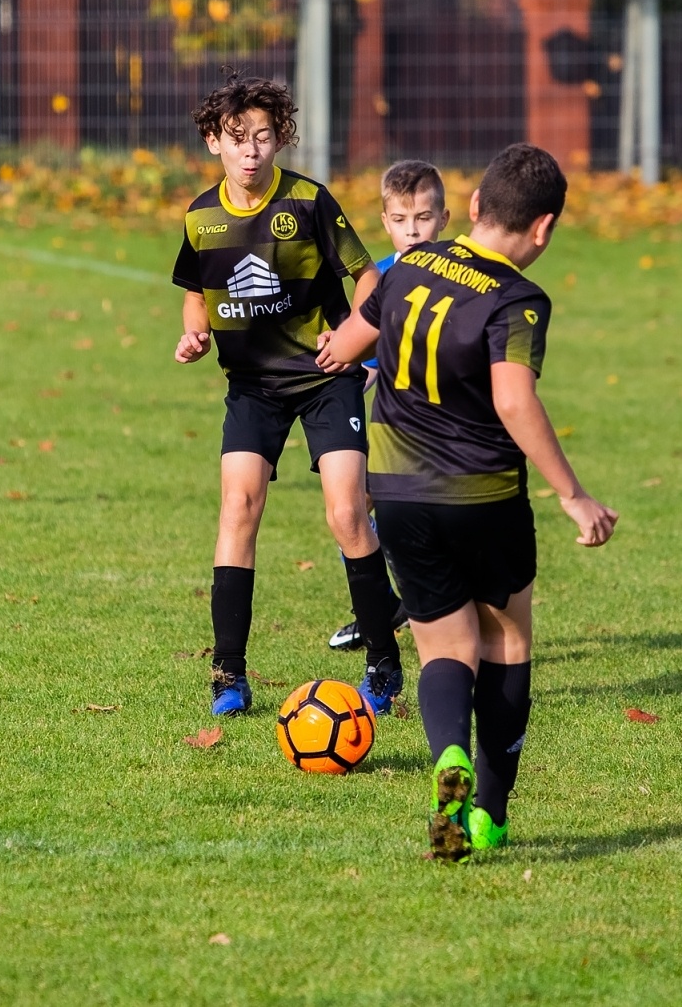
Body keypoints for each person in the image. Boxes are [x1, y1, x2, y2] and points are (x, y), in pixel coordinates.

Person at [321, 143, 618, 861]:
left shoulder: (409, 265)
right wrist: (573, 494)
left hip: (397, 494)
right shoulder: (518, 298)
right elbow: (513, 400)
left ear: (476, 205)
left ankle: (449, 759)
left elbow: (350, 341)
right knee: (506, 642)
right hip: (483, 494)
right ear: (544, 228)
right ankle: (488, 814)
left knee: (444, 649)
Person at [171, 72, 404, 718]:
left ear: (279, 140)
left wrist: (353, 338)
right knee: (238, 507)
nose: (250, 150)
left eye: (263, 137)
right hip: (252, 386)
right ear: (214, 141)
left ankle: (383, 666)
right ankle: (228, 673)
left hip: (326, 377)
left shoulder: (307, 201)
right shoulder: (200, 216)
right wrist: (194, 334)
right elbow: (195, 290)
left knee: (346, 513)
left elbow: (367, 277)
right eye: (237, 137)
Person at [325, 161, 455, 706]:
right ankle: (382, 607)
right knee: (351, 511)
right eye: (401, 220)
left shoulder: (461, 276)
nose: (413, 230)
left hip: (448, 429)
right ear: (384, 222)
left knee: (431, 531)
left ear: (444, 219)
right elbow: (363, 347)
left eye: (423, 218)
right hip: (391, 424)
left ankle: (445, 634)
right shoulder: (378, 277)